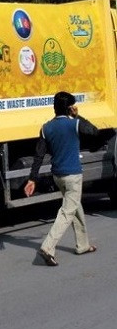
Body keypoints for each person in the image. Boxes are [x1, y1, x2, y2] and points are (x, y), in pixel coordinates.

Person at [24, 91, 112, 266]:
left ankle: (83, 245)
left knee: (74, 207)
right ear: (70, 108)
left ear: (55, 108)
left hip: (58, 176)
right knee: (67, 211)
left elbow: (39, 156)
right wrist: (78, 116)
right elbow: (94, 132)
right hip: (73, 175)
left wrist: (32, 179)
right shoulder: (75, 124)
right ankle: (48, 247)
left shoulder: (46, 127)